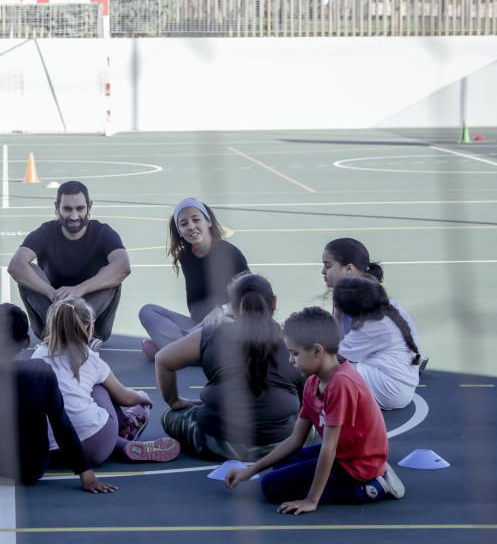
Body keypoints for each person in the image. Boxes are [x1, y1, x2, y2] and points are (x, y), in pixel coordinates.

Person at [225, 307, 405, 514]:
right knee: (280, 466)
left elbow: (329, 448)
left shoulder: (341, 383)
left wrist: (311, 500)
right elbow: (295, 440)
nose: (291, 360)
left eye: (295, 353)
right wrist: (250, 470)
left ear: (318, 351)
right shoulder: (312, 383)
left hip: (357, 463)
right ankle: (359, 479)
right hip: (343, 454)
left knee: (271, 486)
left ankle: (371, 487)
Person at [0, 304, 117, 500]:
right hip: (32, 470)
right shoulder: (42, 370)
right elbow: (61, 424)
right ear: (27, 342)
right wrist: (86, 475)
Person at [157, 274, 304, 461]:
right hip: (280, 445)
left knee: (169, 416)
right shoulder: (293, 342)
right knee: (311, 423)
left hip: (216, 441)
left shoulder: (211, 335)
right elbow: (310, 396)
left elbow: (163, 359)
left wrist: (174, 401)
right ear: (274, 302)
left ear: (232, 307)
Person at [31, 298, 180, 465]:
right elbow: (125, 398)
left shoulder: (38, 356)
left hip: (51, 452)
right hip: (97, 447)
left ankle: (123, 446)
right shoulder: (89, 358)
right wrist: (142, 397)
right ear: (89, 328)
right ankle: (126, 430)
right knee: (99, 387)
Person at [8, 180, 130, 349]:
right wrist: (52, 294)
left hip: (93, 325)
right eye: (67, 209)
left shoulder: (102, 232)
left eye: (80, 208)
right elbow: (15, 265)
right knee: (28, 271)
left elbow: (123, 266)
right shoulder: (46, 232)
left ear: (89, 206)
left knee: (111, 274)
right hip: (51, 320)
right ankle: (70, 335)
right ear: (57, 207)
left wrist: (80, 290)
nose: (74, 216)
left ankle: (76, 333)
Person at [139, 198, 248, 359]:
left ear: (208, 222)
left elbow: (254, 301)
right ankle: (189, 351)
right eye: (183, 224)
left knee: (223, 325)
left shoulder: (230, 254)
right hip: (197, 327)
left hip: (229, 324)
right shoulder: (186, 257)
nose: (191, 226)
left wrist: (222, 310)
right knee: (148, 311)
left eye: (196, 220)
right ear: (180, 231)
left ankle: (175, 350)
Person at [321, 237, 428, 375]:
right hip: (398, 360)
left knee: (319, 367)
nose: (323, 271)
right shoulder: (365, 290)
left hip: (387, 375)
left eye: (328, 265)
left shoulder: (360, 301)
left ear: (349, 269)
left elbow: (338, 355)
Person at [332, 277, 422, 410]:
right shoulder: (389, 307)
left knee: (328, 371)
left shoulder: (370, 326)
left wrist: (337, 316)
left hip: (390, 389)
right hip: (404, 381)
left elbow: (335, 357)